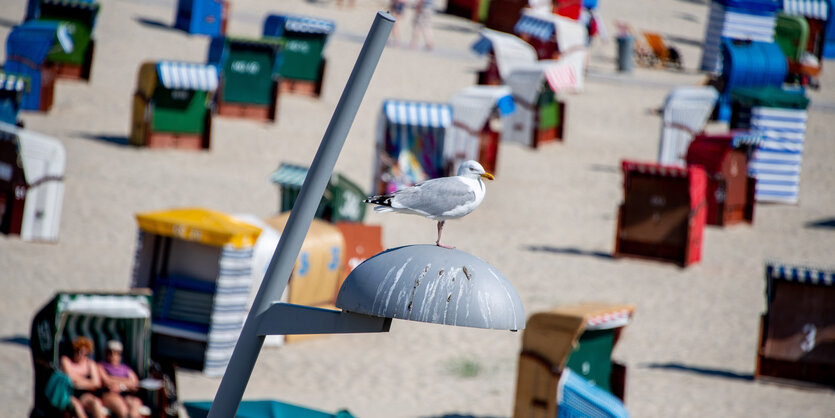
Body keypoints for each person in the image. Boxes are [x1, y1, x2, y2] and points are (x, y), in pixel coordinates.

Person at [98, 340, 146, 418]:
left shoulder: (125, 368)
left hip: (125, 394)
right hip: (109, 395)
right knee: (123, 410)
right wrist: (127, 381)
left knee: (136, 404)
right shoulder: (101, 366)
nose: (113, 356)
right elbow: (107, 381)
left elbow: (135, 382)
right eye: (110, 352)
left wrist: (121, 387)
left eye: (116, 353)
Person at [61, 336, 105, 418]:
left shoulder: (90, 364)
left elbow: (96, 383)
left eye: (85, 353)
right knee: (77, 406)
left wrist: (79, 383)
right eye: (78, 351)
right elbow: (69, 378)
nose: (81, 355)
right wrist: (88, 382)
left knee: (95, 402)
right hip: (69, 393)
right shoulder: (66, 361)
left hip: (84, 394)